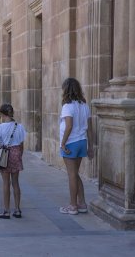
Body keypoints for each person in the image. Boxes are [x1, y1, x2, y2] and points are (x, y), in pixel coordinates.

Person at [59, 77, 94, 215]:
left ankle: (73, 206)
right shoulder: (85, 106)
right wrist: (90, 147)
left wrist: (62, 143)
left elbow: (69, 126)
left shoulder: (67, 106)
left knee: (71, 175)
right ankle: (82, 203)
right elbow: (90, 129)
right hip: (82, 142)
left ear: (66, 90)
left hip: (70, 143)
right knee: (75, 174)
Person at [0, 104, 27, 219]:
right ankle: (17, 209)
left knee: (6, 183)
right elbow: (21, 145)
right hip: (16, 154)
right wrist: (19, 156)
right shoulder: (19, 127)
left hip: (4, 155)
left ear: (2, 114)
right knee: (15, 182)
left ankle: (6, 211)